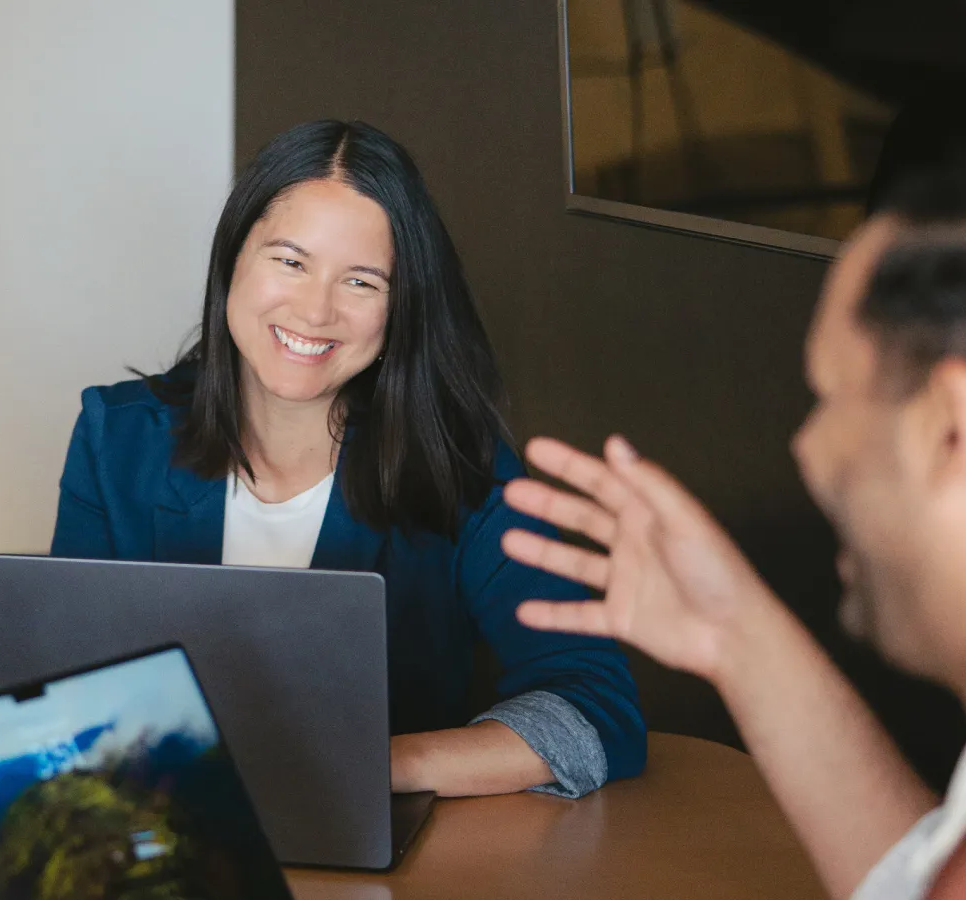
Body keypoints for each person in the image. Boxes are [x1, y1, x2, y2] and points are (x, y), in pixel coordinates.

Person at [502, 140, 966, 898]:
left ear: (950, 429)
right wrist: (733, 634)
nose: (807, 448)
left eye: (830, 395)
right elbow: (919, 879)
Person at [50, 119, 645, 799]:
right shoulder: (115, 438)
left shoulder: (465, 474)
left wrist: (375, 766)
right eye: (291, 261)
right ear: (232, 262)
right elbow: (64, 691)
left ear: (401, 309)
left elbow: (599, 709)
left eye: (361, 282)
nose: (314, 310)